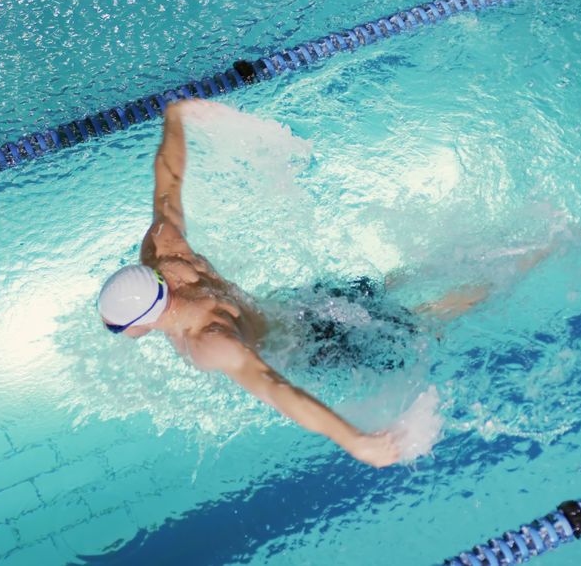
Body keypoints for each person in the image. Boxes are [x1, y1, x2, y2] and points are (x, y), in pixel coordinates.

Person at [97, 99, 511, 468]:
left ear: (141, 322)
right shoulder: (166, 252)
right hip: (301, 304)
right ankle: (460, 256)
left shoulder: (207, 340)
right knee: (381, 290)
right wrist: (175, 115)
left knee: (426, 319)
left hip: (315, 344)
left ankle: (516, 268)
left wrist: (356, 442)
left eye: (121, 326)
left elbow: (277, 388)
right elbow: (167, 183)